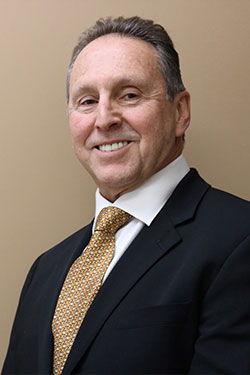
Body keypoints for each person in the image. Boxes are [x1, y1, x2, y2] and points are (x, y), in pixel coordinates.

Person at [3, 16, 250, 375]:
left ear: (180, 112)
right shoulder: (45, 270)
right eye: (87, 101)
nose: (104, 119)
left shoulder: (239, 240)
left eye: (129, 95)